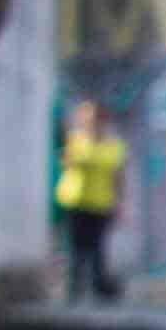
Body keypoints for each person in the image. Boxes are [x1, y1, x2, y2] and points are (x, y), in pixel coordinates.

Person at [54, 99, 128, 303]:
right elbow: (66, 162)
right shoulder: (75, 140)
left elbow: (118, 175)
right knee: (75, 247)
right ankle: (73, 288)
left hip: (101, 202)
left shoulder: (114, 145)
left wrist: (120, 201)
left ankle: (98, 287)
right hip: (76, 200)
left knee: (97, 247)